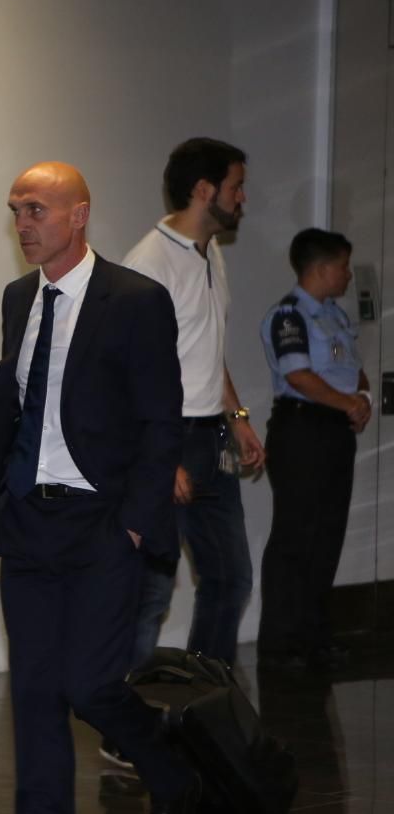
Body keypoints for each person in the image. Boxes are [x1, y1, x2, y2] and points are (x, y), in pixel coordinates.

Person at [0, 162, 200, 814]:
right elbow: (19, 407)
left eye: (36, 209)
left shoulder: (135, 300)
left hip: (102, 523)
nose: (23, 223)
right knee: (33, 696)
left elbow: (164, 421)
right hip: (31, 522)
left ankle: (175, 781)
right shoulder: (18, 299)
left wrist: (132, 520)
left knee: (90, 686)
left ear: (79, 214)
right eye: (14, 211)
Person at [122, 138, 263, 670]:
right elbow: (129, 372)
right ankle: (126, 722)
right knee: (152, 592)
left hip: (211, 437)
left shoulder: (211, 252)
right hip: (168, 438)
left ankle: (203, 706)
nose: (242, 198)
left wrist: (238, 416)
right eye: (236, 187)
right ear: (205, 191)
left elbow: (206, 346)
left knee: (230, 578)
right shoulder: (150, 263)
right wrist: (158, 459)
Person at [256, 228, 371, 670]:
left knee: (327, 536)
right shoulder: (289, 316)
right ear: (322, 269)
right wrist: (349, 403)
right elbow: (299, 375)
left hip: (334, 430)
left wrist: (360, 401)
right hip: (301, 431)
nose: (346, 275)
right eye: (342, 266)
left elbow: (352, 371)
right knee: (295, 537)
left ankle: (314, 638)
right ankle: (280, 645)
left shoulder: (335, 316)